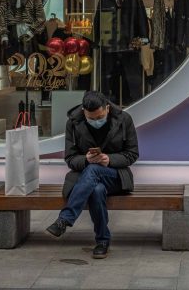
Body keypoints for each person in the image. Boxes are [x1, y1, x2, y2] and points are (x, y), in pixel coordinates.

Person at [46, 91, 139, 259]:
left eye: (100, 117)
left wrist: (109, 159)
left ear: (107, 108)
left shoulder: (124, 119)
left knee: (94, 169)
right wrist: (86, 160)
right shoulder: (73, 123)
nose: (96, 121)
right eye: (91, 118)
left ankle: (65, 218)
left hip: (116, 176)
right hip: (86, 179)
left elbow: (132, 154)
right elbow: (70, 158)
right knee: (96, 189)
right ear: (83, 111)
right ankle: (102, 241)